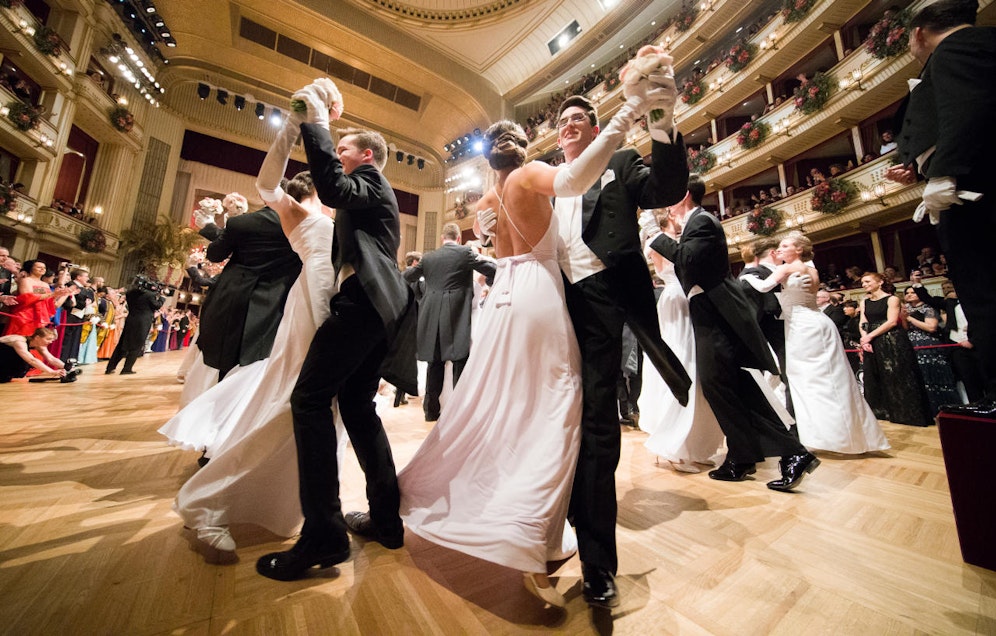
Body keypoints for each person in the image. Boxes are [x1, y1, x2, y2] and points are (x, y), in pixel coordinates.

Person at [400, 81, 663, 608]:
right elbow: (570, 178)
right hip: (543, 296)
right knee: (557, 412)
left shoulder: (486, 201)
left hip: (505, 298)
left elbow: (490, 245)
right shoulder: (532, 176)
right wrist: (628, 111)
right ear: (521, 147)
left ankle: (518, 516)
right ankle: (531, 521)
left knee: (503, 406)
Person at [479, 47, 690, 609]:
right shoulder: (543, 178)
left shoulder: (618, 165)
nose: (570, 124)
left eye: (581, 119)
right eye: (562, 121)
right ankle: (540, 529)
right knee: (544, 421)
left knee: (597, 428)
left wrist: (662, 119)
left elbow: (666, 191)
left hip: (598, 304)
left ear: (596, 129)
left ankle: (598, 563)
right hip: (547, 306)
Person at [256, 79, 417, 582]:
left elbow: (331, 186)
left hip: (365, 305)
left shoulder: (369, 181)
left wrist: (319, 123)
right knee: (355, 405)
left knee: (308, 400)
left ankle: (324, 535)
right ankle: (386, 522)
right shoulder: (366, 193)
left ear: (365, 155)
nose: (333, 151)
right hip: (377, 308)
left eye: (342, 147)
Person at [166, 161, 347, 562]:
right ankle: (215, 492)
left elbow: (219, 252)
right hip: (296, 309)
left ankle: (278, 495)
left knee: (259, 386)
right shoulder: (305, 218)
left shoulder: (251, 223)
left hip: (272, 305)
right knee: (282, 400)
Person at [643, 175, 819, 489]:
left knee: (721, 386)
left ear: (684, 194)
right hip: (708, 313)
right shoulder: (696, 224)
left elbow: (686, 260)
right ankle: (744, 455)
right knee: (729, 385)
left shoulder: (703, 222)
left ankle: (791, 453)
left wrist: (654, 233)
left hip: (718, 315)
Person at [887, 0, 996, 416]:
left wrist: (944, 172)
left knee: (983, 289)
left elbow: (969, 112)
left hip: (974, 195)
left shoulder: (958, 48)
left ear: (918, 33)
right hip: (966, 188)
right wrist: (919, 167)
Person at [745, 232, 890, 454]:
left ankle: (823, 435)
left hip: (802, 327)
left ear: (798, 250)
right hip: (819, 322)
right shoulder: (811, 269)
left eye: (785, 246)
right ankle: (847, 433)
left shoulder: (787, 268)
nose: (780, 250)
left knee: (807, 379)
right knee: (832, 378)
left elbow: (763, 288)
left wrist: (746, 277)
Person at [185, 189, 302, 398]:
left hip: (233, 296)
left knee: (226, 356)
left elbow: (215, 254)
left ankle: (219, 402)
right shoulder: (298, 226)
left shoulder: (241, 223)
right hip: (276, 301)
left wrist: (210, 228)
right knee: (260, 359)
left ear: (266, 197)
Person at [638, 208, 724, 472]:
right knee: (683, 360)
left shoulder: (671, 240)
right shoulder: (661, 241)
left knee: (694, 365)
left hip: (682, 298)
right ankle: (675, 449)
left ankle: (692, 446)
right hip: (677, 300)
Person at [402, 222, 495, 422]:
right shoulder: (465, 253)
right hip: (456, 316)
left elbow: (407, 277)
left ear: (442, 239)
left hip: (431, 317)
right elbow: (490, 269)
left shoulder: (428, 258)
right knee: (459, 362)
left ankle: (431, 411)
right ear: (459, 238)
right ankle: (458, 413)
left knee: (434, 364)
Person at [858, 272, 933, 426]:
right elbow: (863, 321)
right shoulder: (864, 301)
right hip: (871, 341)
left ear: (879, 282)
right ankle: (884, 413)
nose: (864, 285)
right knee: (875, 377)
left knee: (897, 375)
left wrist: (869, 336)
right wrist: (864, 338)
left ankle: (905, 414)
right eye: (862, 282)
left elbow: (892, 322)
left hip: (890, 340)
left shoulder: (892, 299)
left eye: (867, 281)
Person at [902, 285, 961, 416]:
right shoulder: (906, 309)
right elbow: (905, 328)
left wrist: (910, 318)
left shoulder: (928, 308)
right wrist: (904, 318)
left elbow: (931, 327)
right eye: (907, 293)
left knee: (934, 374)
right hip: (911, 344)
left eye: (913, 292)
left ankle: (945, 408)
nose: (910, 295)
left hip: (928, 342)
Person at [104, 279, 165, 375]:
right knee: (136, 346)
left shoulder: (130, 293)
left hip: (131, 320)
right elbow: (156, 306)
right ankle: (127, 368)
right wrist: (162, 297)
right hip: (142, 323)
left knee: (122, 345)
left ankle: (110, 368)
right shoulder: (150, 295)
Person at [2, 260, 72, 336]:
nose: (42, 269)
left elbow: (49, 301)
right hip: (25, 315)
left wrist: (57, 295)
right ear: (31, 268)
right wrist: (52, 294)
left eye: (44, 268)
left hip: (40, 316)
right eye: (39, 267)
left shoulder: (45, 284)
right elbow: (27, 297)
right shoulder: (26, 281)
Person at [0, 327, 78, 383]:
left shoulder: (39, 344)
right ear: (37, 337)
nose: (50, 342)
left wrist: (68, 368)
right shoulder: (20, 342)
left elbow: (51, 358)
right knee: (25, 361)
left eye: (51, 340)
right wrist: (52, 372)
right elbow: (32, 360)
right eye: (48, 339)